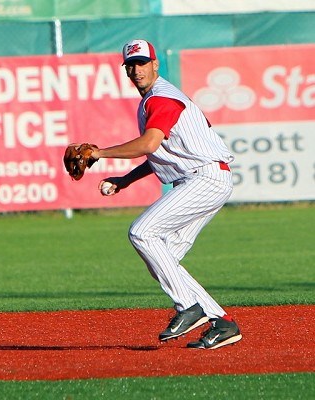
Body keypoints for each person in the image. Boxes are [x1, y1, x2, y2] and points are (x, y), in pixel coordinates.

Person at [90, 39, 242, 349]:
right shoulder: (153, 100)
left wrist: (99, 152)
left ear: (155, 64)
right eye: (131, 64)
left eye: (142, 62)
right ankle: (222, 323)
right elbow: (163, 151)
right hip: (204, 178)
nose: (137, 69)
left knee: (142, 233)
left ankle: (188, 307)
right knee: (166, 258)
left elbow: (147, 144)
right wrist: (127, 179)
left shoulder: (161, 99)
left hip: (203, 179)